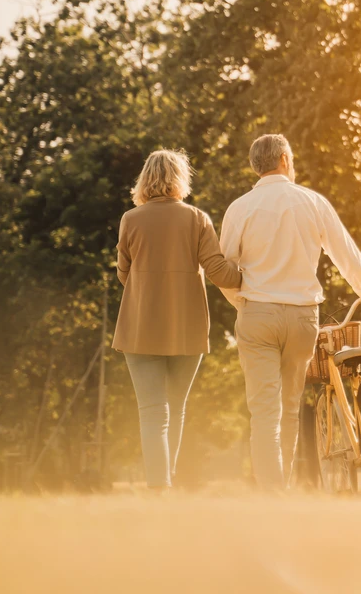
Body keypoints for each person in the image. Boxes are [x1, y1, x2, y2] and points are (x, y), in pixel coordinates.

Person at [220, 133, 361, 489]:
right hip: (302, 318)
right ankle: (282, 488)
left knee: (265, 412)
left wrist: (243, 302)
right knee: (290, 409)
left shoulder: (239, 208)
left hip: (257, 315)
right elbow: (343, 250)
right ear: (284, 159)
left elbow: (224, 270)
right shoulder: (311, 202)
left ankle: (272, 494)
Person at [113, 149, 242, 489]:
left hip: (139, 328)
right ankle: (165, 482)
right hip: (186, 328)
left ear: (145, 179)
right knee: (176, 408)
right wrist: (254, 274)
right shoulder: (197, 219)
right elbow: (219, 272)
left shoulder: (130, 219)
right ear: (180, 180)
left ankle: (160, 488)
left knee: (153, 412)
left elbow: (123, 275)